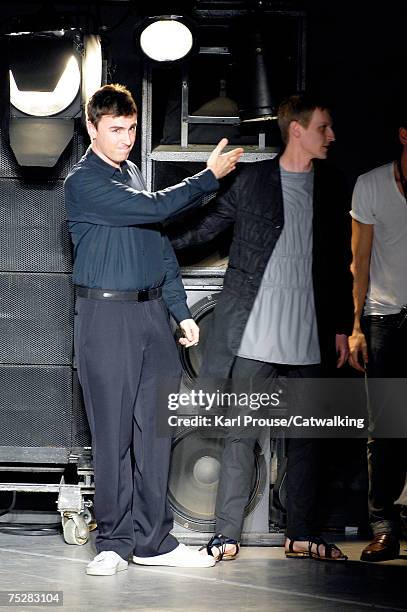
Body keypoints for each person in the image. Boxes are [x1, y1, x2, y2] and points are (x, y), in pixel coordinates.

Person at [64, 83, 243, 576]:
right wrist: (207, 177)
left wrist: (181, 311)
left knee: (155, 433)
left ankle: (153, 541)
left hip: (150, 318)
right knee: (112, 435)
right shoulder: (83, 182)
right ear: (92, 128)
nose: (126, 138)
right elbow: (156, 210)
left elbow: (159, 246)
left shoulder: (133, 174)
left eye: (132, 129)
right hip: (105, 320)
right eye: (116, 129)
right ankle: (114, 543)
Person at [172, 93, 352, 561]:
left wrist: (339, 326)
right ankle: (226, 533)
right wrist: (147, 237)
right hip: (254, 334)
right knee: (240, 435)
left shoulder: (332, 187)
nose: (330, 137)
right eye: (323, 128)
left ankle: (301, 532)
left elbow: (337, 265)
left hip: (307, 335)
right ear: (297, 129)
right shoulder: (252, 182)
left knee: (311, 437)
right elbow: (206, 229)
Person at [348, 116, 407, 561]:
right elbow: (359, 261)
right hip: (386, 317)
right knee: (385, 429)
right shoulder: (371, 185)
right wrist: (354, 326)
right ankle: (384, 527)